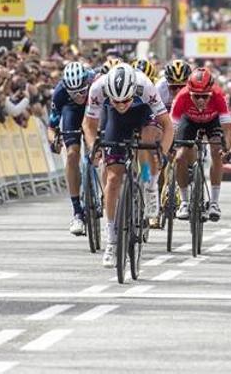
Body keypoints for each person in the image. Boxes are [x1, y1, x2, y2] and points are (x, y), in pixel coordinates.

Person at [81, 63, 173, 267]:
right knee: (113, 179)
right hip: (115, 120)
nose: (122, 104)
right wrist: (92, 146)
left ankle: (149, 184)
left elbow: (167, 126)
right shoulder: (99, 87)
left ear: (133, 90)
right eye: (117, 100)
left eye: (125, 100)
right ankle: (112, 240)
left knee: (147, 142)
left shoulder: (146, 86)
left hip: (142, 113)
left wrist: (163, 154)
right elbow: (88, 124)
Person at [170, 67, 231, 223]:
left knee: (217, 151)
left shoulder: (218, 96)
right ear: (189, 92)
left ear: (211, 93)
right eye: (196, 96)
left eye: (205, 97)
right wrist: (170, 147)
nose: (200, 100)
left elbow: (227, 127)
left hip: (213, 121)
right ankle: (184, 201)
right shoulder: (181, 96)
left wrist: (227, 147)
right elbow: (172, 127)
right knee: (179, 158)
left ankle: (214, 203)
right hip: (189, 121)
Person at [48, 62, 94, 236]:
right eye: (74, 92)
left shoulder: (95, 82)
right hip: (72, 112)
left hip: (93, 109)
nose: (79, 95)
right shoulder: (60, 92)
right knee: (72, 154)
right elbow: (51, 127)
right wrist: (54, 141)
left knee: (102, 148)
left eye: (82, 90)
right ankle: (77, 213)